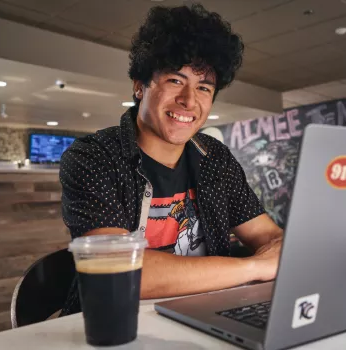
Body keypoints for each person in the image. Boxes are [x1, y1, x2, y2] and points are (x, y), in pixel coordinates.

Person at [59, 3, 283, 314]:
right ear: (140, 85)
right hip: (112, 326)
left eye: (203, 87)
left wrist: (278, 251)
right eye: (175, 81)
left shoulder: (215, 157)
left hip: (205, 315)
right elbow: (118, 270)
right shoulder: (93, 157)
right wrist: (254, 267)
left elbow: (270, 236)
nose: (189, 100)